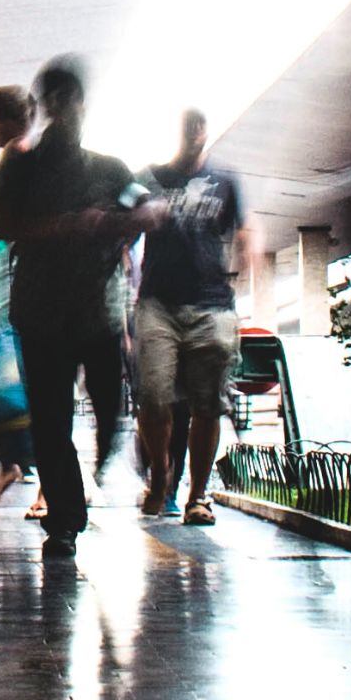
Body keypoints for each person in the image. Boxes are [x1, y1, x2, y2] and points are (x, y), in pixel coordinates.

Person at [0, 57, 152, 559]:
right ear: (45, 109)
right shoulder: (20, 166)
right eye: (54, 103)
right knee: (50, 420)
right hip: (41, 313)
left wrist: (116, 223)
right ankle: (64, 519)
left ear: (81, 106)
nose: (64, 113)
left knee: (109, 405)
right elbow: (1, 224)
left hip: (98, 313)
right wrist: (63, 226)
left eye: (71, 101)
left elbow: (146, 208)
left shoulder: (110, 168)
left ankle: (103, 458)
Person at [134, 109, 250, 526]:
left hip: (212, 303)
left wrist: (243, 271)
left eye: (200, 126)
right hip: (157, 302)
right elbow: (123, 229)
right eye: (187, 126)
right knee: (152, 396)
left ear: (207, 132)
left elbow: (244, 232)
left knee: (208, 405)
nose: (194, 133)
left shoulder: (227, 182)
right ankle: (161, 474)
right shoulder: (148, 178)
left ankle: (198, 496)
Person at [0, 85, 39, 514]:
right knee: (5, 386)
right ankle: (13, 463)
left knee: (29, 390)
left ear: (16, 120)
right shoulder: (1, 170)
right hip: (8, 293)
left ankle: (28, 472)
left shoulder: (25, 165)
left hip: (28, 293)